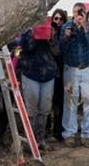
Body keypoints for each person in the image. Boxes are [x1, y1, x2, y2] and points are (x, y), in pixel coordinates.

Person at [59, 3, 89, 148]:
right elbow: (60, 48)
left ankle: (87, 134)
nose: (78, 15)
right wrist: (66, 37)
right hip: (71, 69)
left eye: (80, 12)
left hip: (88, 68)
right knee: (70, 101)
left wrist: (85, 26)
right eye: (75, 12)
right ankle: (69, 134)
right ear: (72, 13)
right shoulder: (67, 27)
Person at [19, 20, 58, 151]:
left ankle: (40, 140)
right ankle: (30, 141)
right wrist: (34, 34)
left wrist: (52, 38)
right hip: (31, 72)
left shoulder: (49, 28)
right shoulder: (26, 28)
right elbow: (26, 48)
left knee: (45, 109)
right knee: (32, 110)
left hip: (48, 72)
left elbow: (56, 51)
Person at [47, 8, 67, 142]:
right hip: (48, 71)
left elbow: (60, 52)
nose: (58, 21)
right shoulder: (47, 32)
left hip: (61, 71)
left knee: (59, 102)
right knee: (47, 102)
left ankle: (57, 131)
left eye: (61, 19)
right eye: (56, 18)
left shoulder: (65, 33)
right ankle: (46, 128)